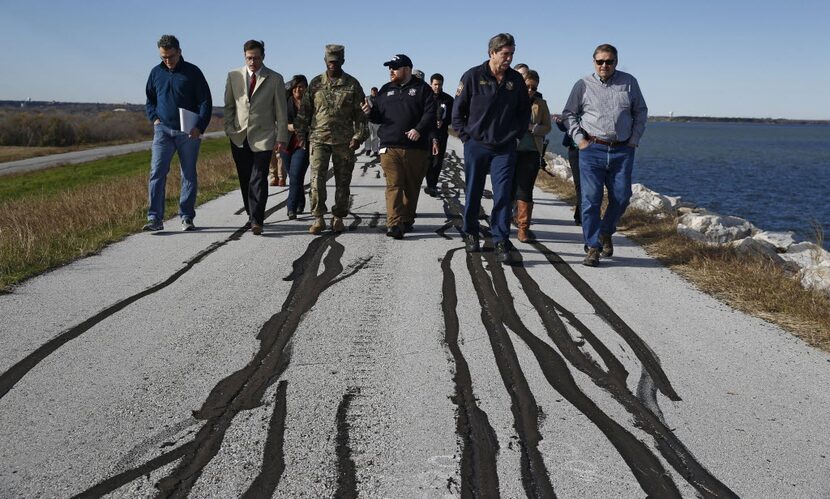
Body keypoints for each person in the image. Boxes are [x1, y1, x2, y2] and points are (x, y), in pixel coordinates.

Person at [562, 43, 648, 266]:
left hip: (622, 150)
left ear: (615, 62)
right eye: (600, 61)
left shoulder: (629, 82)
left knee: (622, 197)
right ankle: (592, 247)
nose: (604, 65)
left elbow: (640, 111)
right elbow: (569, 114)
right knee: (591, 200)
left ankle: (605, 231)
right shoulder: (582, 85)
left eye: (609, 61)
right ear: (594, 62)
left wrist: (634, 140)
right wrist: (579, 140)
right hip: (592, 150)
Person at [452, 33, 531, 264]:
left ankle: (500, 239)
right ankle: (471, 232)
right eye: (505, 54)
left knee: (503, 195)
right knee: (473, 191)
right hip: (476, 145)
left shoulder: (515, 80)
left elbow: (523, 112)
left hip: (504, 148)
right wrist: (466, 136)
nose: (509, 58)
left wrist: (515, 136)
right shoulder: (473, 76)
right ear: (492, 53)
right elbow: (458, 111)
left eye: (512, 54)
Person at [295, 44, 368, 235]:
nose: (332, 65)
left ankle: (338, 217)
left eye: (336, 61)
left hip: (344, 141)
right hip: (319, 139)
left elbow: (361, 115)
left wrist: (358, 136)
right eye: (329, 61)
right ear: (325, 61)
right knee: (316, 179)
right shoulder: (315, 83)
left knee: (343, 181)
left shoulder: (352, 84)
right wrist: (301, 135)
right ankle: (318, 217)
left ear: (342, 61)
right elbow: (304, 112)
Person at [362, 54, 436, 239]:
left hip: (416, 148)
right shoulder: (385, 90)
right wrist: (370, 113)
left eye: (395, 67)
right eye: (390, 68)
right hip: (390, 147)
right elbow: (378, 117)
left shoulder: (422, 89)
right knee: (394, 185)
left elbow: (430, 113)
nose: (391, 71)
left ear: (407, 69)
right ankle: (394, 223)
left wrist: (419, 129)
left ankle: (406, 219)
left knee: (411, 187)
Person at [144, 34, 212, 232]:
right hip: (163, 131)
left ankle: (186, 217)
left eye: (171, 57)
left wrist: (199, 126)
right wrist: (154, 119)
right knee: (157, 173)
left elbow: (205, 101)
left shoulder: (193, 72)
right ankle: (154, 218)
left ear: (179, 52)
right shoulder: (156, 73)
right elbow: (150, 100)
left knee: (188, 174)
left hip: (188, 132)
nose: (167, 61)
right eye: (163, 58)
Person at [224, 39, 289, 235]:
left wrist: (281, 137)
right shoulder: (233, 75)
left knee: (259, 177)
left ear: (263, 57)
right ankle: (252, 213)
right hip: (239, 135)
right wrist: (229, 128)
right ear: (244, 56)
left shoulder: (275, 78)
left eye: (256, 58)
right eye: (249, 58)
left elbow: (281, 111)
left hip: (264, 136)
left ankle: (257, 220)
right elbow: (229, 106)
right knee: (245, 178)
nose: (252, 62)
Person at [513, 70, 551, 243]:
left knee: (525, 190)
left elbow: (547, 127)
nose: (530, 90)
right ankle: (501, 223)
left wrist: (532, 128)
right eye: (527, 86)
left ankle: (523, 228)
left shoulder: (541, 104)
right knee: (506, 188)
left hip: (531, 151)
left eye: (533, 88)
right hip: (510, 150)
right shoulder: (510, 99)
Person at [282, 75, 310, 219]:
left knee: (295, 175)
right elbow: (280, 122)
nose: (298, 89)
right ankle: (300, 200)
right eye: (296, 87)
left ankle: (291, 208)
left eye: (301, 87)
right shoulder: (285, 102)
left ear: (306, 88)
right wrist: (290, 126)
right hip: (286, 144)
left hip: (303, 144)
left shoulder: (311, 104)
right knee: (294, 177)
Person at [423, 73, 454, 197]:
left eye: (439, 84)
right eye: (435, 84)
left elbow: (453, 117)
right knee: (427, 160)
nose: (437, 87)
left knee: (437, 161)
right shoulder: (425, 97)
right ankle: (428, 182)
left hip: (441, 134)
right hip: (426, 134)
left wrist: (443, 121)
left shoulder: (448, 100)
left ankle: (432, 185)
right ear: (431, 84)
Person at [362, 87, 380, 156]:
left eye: (375, 91)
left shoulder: (380, 99)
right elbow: (363, 108)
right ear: (371, 91)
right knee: (367, 136)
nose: (374, 93)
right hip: (368, 120)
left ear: (377, 91)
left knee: (375, 137)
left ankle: (375, 150)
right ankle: (368, 149)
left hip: (377, 121)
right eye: (373, 91)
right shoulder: (367, 98)